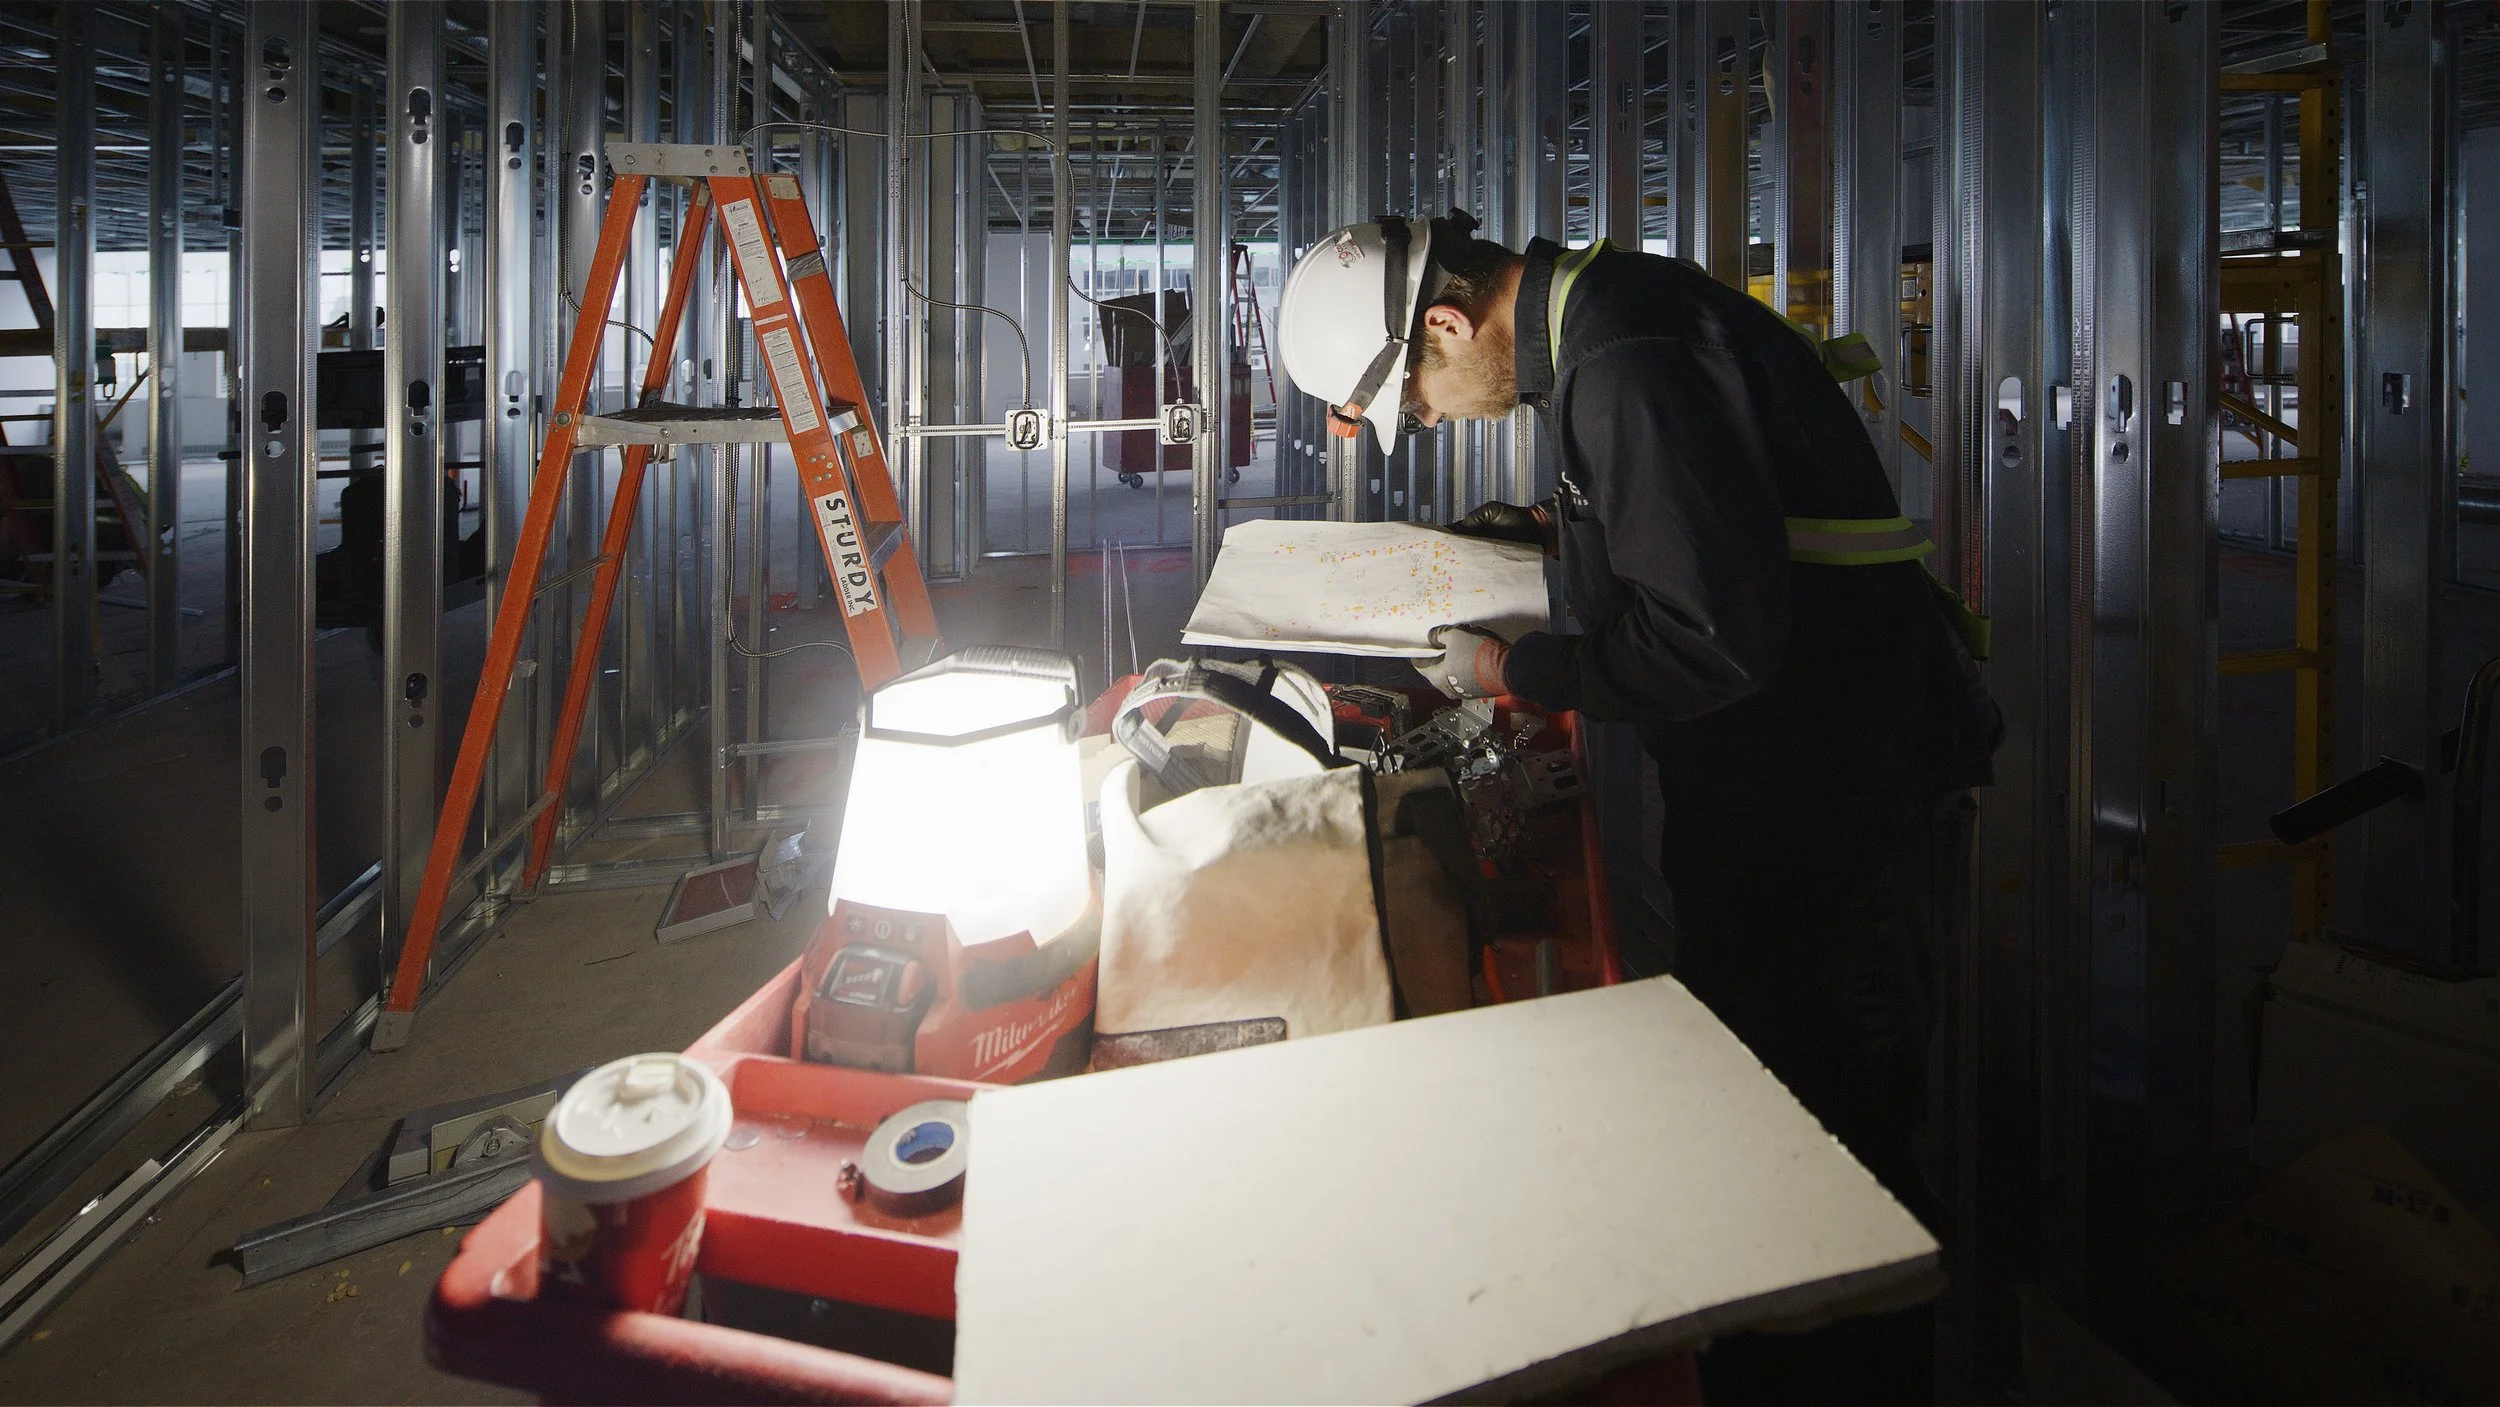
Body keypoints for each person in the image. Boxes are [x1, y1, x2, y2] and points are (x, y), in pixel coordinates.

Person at [1275, 215, 2001, 1405]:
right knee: (1777, 1105)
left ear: (1446, 325)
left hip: (1832, 805)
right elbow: (1685, 519)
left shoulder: (1623, 358)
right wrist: (1539, 543)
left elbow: (1705, 639)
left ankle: (1842, 1377)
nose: (1443, 418)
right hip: (1790, 787)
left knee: (1834, 1140)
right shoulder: (1604, 325)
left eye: (1424, 396)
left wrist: (1514, 673)